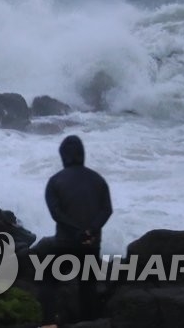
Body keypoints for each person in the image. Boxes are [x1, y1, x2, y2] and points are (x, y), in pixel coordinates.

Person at [36, 134, 112, 325]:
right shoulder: (98, 180)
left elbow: (56, 214)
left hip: (65, 244)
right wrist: (90, 230)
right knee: (88, 287)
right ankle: (90, 322)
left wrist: (76, 230)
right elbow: (107, 210)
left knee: (46, 278)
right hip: (91, 246)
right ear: (82, 155)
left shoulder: (55, 181)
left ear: (63, 157)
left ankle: (48, 323)